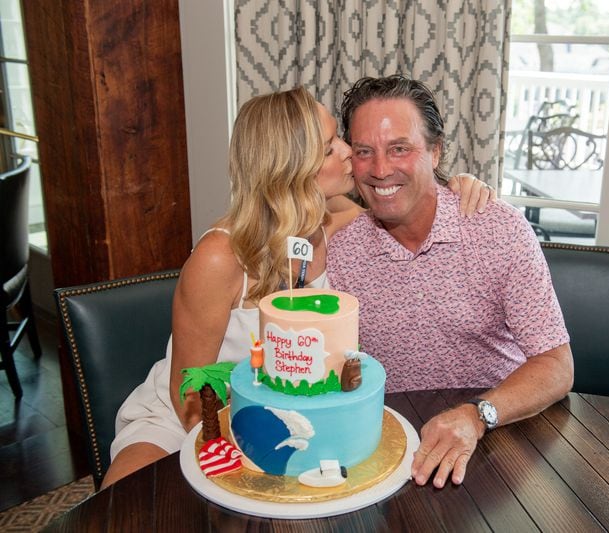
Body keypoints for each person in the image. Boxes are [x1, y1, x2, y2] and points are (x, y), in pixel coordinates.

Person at [103, 87, 493, 488]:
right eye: (328, 148)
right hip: (188, 423)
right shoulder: (220, 257)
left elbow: (409, 203)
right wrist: (242, 460)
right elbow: (187, 394)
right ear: (289, 167)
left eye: (338, 137)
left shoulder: (336, 221)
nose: (348, 152)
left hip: (291, 426)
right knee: (128, 509)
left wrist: (456, 185)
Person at [326, 75, 574, 489]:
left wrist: (477, 415)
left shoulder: (498, 229)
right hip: (392, 449)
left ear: (436, 150)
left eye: (400, 148)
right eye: (365, 152)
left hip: (503, 438)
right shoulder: (340, 249)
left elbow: (556, 366)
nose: (381, 169)